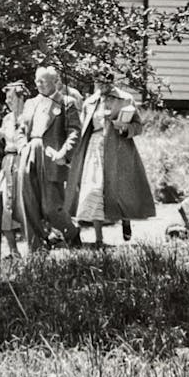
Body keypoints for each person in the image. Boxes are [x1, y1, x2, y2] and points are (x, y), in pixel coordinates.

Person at [65, 70, 155, 248]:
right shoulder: (90, 102)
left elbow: (138, 127)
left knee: (120, 189)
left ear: (112, 82)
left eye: (106, 83)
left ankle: (125, 219)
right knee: (94, 189)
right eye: (99, 83)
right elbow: (82, 127)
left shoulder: (125, 99)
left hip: (118, 147)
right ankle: (99, 238)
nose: (102, 87)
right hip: (94, 147)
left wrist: (125, 127)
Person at [15, 65, 82, 252]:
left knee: (51, 207)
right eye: (37, 80)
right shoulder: (30, 103)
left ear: (55, 82)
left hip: (52, 156)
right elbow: (20, 130)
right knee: (29, 203)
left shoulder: (66, 102)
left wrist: (64, 154)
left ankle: (71, 232)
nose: (39, 84)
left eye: (43, 81)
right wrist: (22, 147)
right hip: (30, 152)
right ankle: (36, 249)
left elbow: (75, 131)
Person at [0, 80, 29, 258]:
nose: (8, 102)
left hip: (23, 161)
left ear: (21, 98)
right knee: (5, 204)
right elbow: (2, 143)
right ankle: (13, 250)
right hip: (8, 162)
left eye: (11, 98)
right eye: (6, 99)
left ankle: (33, 249)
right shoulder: (7, 118)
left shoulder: (29, 116)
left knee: (24, 203)